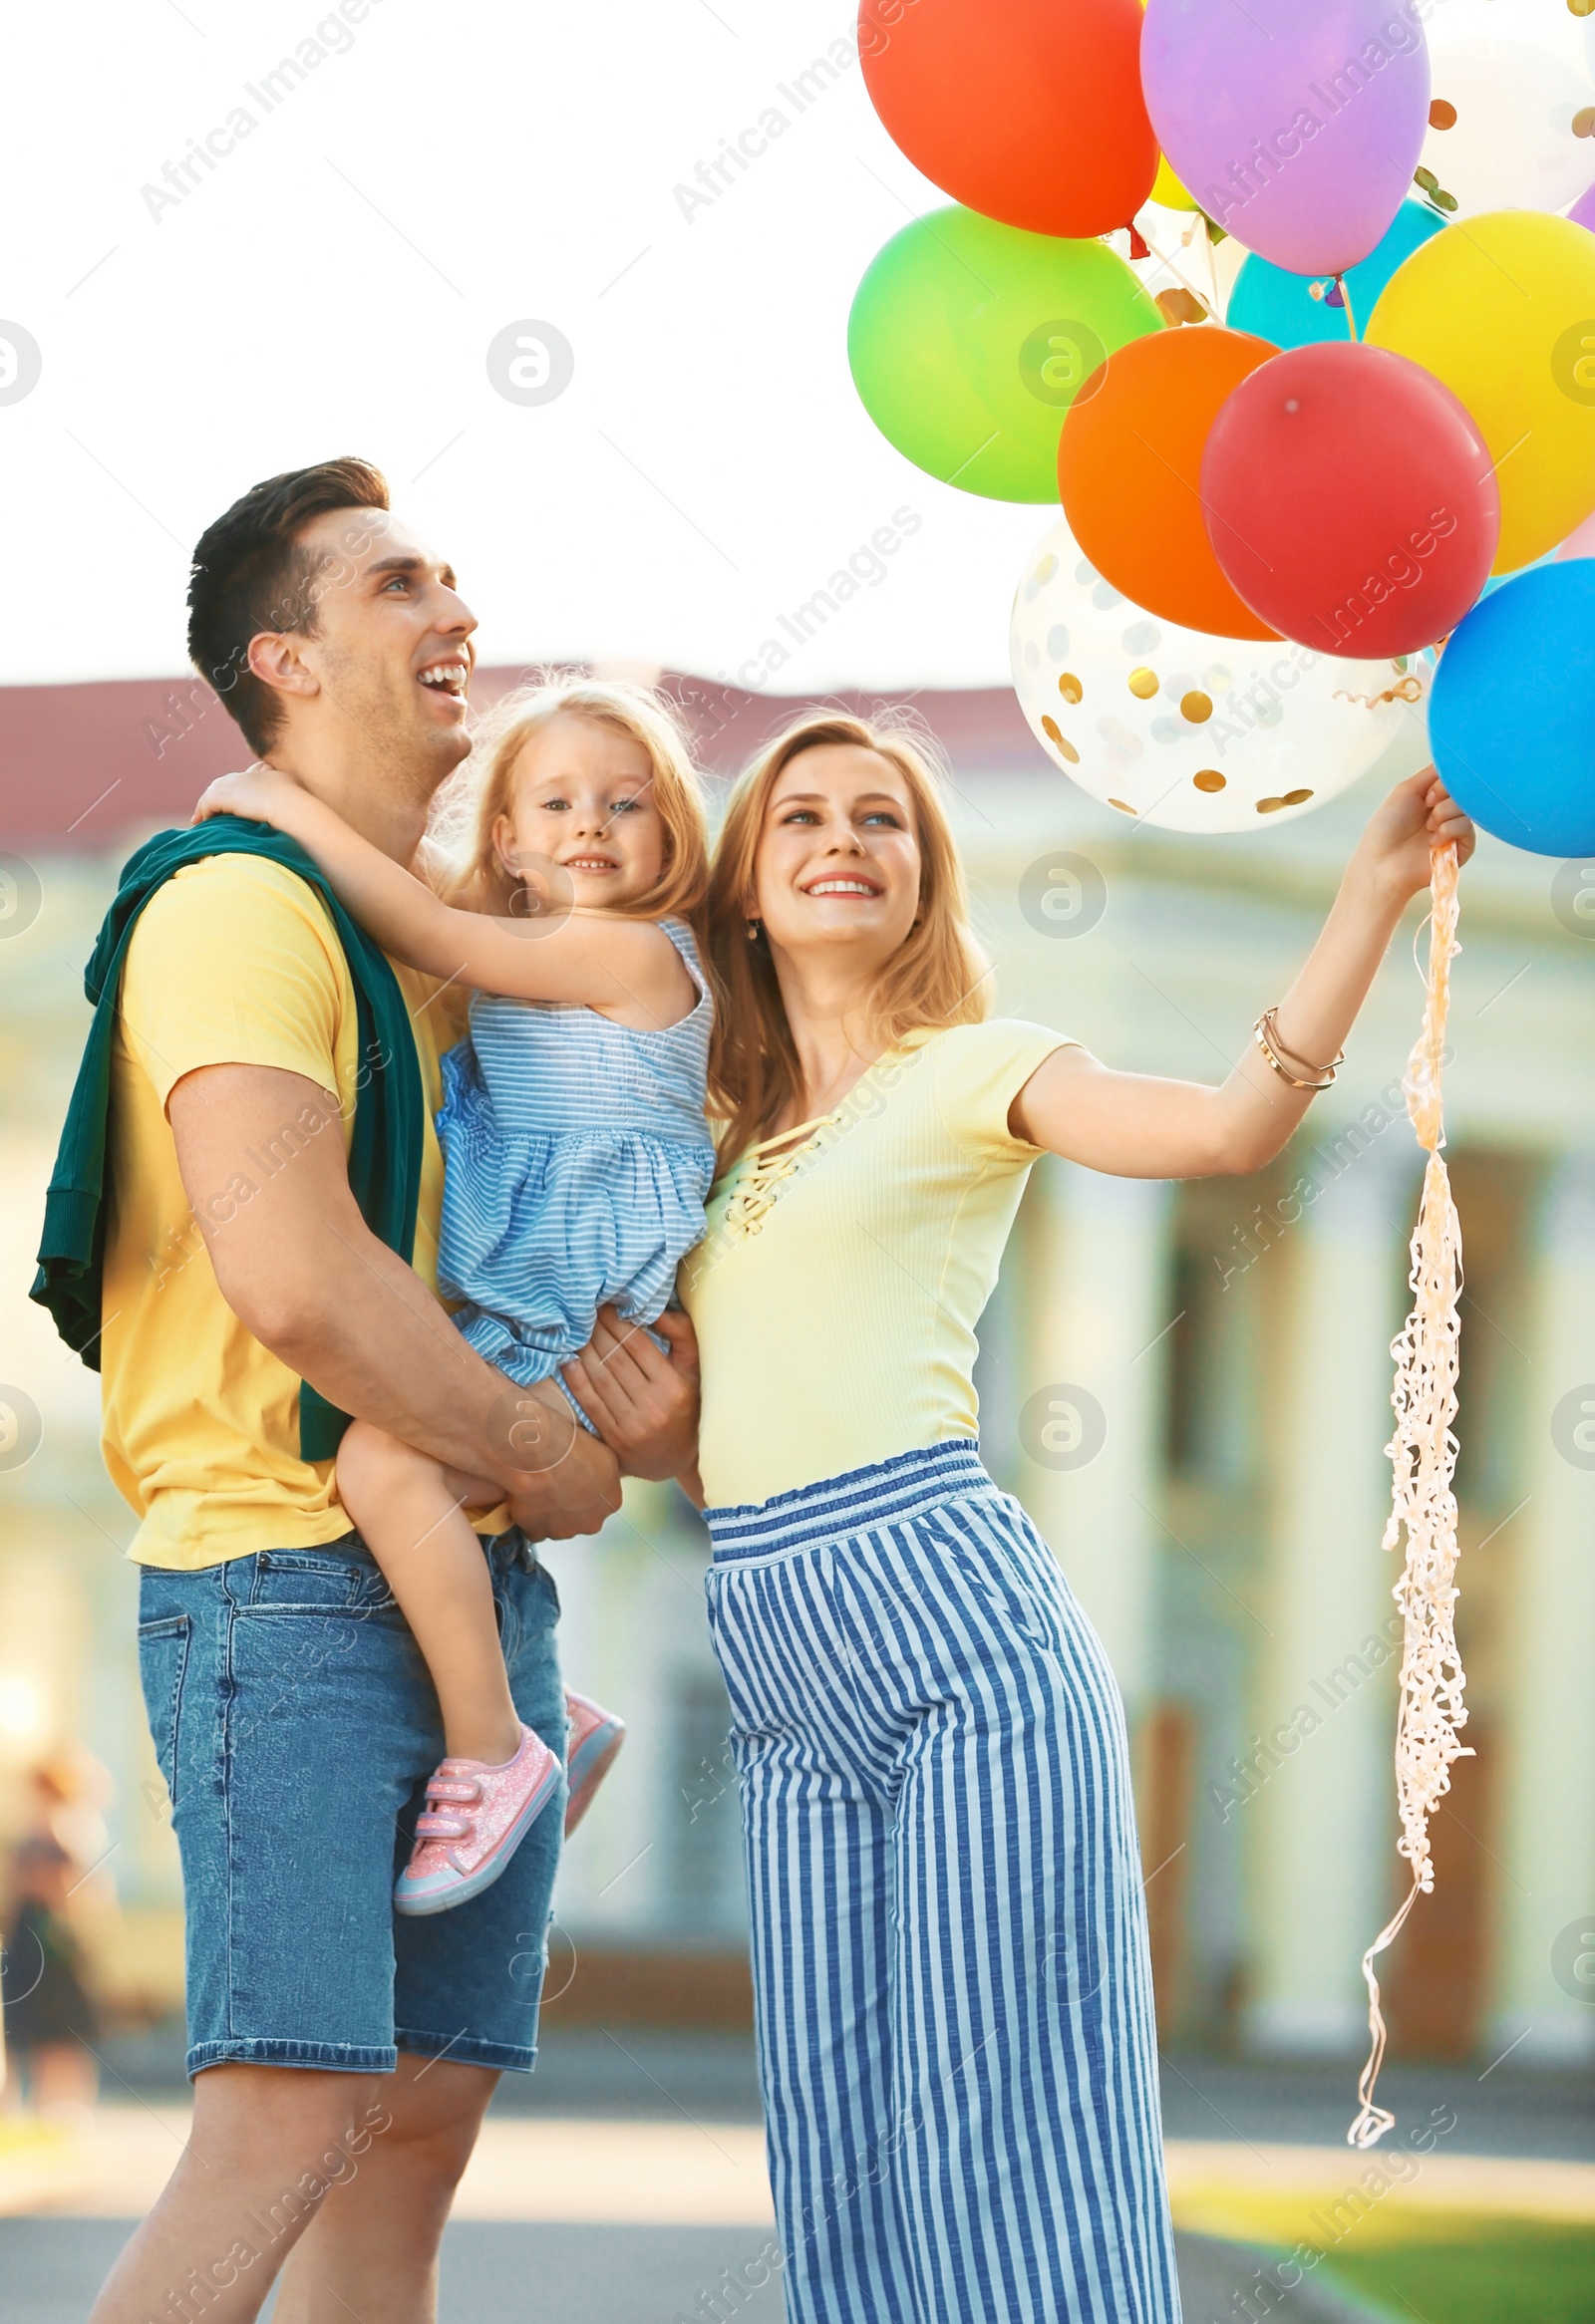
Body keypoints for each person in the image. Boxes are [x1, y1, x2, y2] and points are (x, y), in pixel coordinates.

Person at [649, 709, 1474, 2324]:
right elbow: (697, 1431)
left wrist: (1368, 891)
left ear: (919, 878)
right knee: (831, 2135)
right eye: (802, 814)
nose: (841, 837)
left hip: (952, 1621)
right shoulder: (710, 1144)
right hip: (776, 1640)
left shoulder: (977, 1068)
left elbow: (1233, 1126)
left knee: (992, 2118)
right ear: (744, 883)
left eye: (881, 820)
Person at [32, 460, 698, 2324]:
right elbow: (299, 1274)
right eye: (401, 583)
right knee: (288, 2110)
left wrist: (625, 1413)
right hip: (288, 1577)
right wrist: (549, 1455)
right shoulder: (243, 909)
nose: (456, 612)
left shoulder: (450, 943)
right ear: (286, 658)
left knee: (409, 2136)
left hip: (471, 1583)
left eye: (458, 576)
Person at [192, 677, 715, 1913]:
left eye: (624, 802)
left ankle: (496, 1747)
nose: (590, 822)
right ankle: (550, 1712)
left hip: (565, 1305)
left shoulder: (631, 952)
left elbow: (436, 929)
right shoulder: (534, 947)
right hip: (525, 1296)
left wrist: (275, 803)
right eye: (556, 802)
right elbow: (436, 906)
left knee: (383, 1462)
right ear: (510, 841)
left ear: (671, 832)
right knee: (425, 1487)